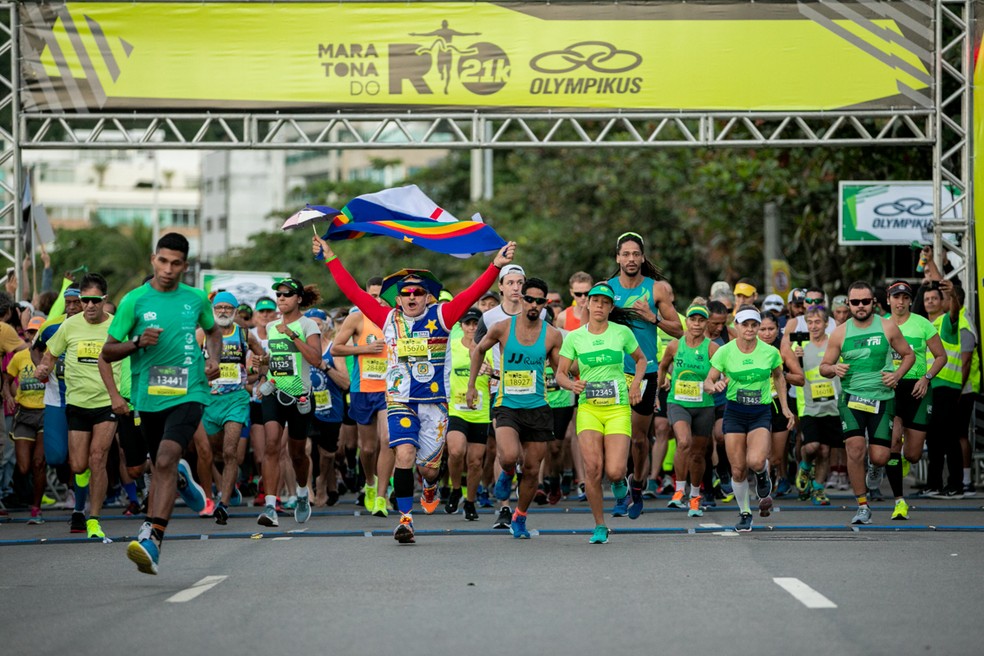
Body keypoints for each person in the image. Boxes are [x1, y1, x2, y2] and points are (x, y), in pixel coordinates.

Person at [313, 234, 516, 544]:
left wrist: (495, 266)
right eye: (405, 293)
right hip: (399, 401)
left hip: (435, 404)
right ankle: (406, 520)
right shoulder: (387, 318)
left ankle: (431, 484)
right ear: (397, 299)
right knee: (404, 454)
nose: (411, 297)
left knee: (428, 470)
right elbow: (352, 290)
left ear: (427, 297)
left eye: (418, 292)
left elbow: (473, 292)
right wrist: (330, 256)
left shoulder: (443, 316)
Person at [102, 232, 221, 575]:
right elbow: (107, 352)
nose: (168, 269)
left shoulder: (196, 299)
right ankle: (181, 478)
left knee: (166, 459)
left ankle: (153, 539)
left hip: (190, 391)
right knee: (160, 465)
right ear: (154, 259)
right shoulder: (134, 301)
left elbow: (214, 332)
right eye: (163, 261)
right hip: (149, 396)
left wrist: (213, 358)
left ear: (185, 266)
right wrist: (137, 342)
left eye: (176, 263)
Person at [469, 277, 563, 538]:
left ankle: (520, 516)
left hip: (538, 407)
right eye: (529, 299)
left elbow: (561, 370)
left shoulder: (552, 334)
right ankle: (507, 472)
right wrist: (471, 385)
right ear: (521, 299)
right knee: (509, 456)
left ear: (545, 304)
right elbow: (478, 350)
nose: (533, 305)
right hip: (507, 404)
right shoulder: (502, 328)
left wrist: (579, 377)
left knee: (532, 468)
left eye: (539, 301)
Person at [554, 282, 647, 544]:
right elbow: (560, 374)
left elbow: (641, 360)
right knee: (593, 469)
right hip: (589, 409)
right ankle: (599, 525)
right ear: (587, 303)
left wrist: (635, 385)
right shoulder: (575, 337)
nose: (599, 306)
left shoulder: (621, 332)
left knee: (615, 470)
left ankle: (620, 483)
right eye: (595, 301)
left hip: (617, 408)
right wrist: (571, 385)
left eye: (605, 303)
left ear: (610, 308)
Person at [35, 273, 122, 541]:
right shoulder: (69, 325)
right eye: (85, 300)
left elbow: (133, 356)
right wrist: (43, 368)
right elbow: (50, 355)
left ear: (105, 299)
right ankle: (80, 504)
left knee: (98, 458)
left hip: (107, 402)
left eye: (95, 300)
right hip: (77, 402)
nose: (90, 305)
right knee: (78, 464)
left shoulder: (118, 326)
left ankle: (93, 519)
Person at [819, 281, 914, 525]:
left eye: (865, 301)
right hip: (851, 398)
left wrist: (897, 375)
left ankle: (875, 467)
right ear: (848, 304)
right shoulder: (840, 332)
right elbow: (823, 367)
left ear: (873, 302)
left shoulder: (887, 326)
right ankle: (862, 506)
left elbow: (909, 355)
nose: (860, 306)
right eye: (855, 302)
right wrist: (833, 368)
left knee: (880, 456)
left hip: (882, 398)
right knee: (854, 449)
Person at [607, 232, 682, 520]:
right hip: (614, 372)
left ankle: (637, 485)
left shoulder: (656, 289)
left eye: (635, 254)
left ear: (642, 258)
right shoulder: (607, 290)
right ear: (618, 257)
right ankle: (619, 489)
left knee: (638, 439)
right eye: (625, 254)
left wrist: (653, 318)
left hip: (646, 371)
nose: (631, 259)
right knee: (615, 436)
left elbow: (679, 331)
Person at [704, 306, 795, 532]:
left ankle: (763, 475)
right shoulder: (724, 351)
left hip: (760, 411)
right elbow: (708, 381)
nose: (750, 329)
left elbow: (779, 377)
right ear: (736, 325)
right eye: (745, 324)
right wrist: (713, 386)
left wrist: (785, 408)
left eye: (754, 325)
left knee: (755, 461)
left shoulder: (770, 352)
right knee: (737, 469)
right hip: (734, 412)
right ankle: (745, 512)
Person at [256, 278, 323, 527]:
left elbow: (315, 359)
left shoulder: (308, 325)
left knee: (297, 454)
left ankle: (303, 493)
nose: (281, 298)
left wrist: (293, 335)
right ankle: (270, 507)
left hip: (300, 396)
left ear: (299, 298)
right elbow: (274, 360)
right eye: (279, 295)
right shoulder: (271, 326)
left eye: (287, 294)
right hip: (274, 392)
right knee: (272, 444)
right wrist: (262, 365)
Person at [198, 291, 268, 525]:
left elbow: (264, 357)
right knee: (211, 453)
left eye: (228, 308)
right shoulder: (202, 334)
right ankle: (214, 494)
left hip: (236, 399)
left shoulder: (244, 334)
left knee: (230, 452)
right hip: (209, 400)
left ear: (235, 311)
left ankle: (224, 504)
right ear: (212, 310)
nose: (223, 311)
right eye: (219, 308)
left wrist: (260, 376)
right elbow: (188, 361)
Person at [882, 280, 945, 518]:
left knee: (913, 454)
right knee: (893, 444)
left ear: (910, 300)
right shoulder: (881, 325)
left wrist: (926, 378)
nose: (900, 302)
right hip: (891, 388)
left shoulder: (922, 324)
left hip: (918, 389)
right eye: (896, 297)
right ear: (888, 300)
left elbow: (941, 356)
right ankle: (899, 502)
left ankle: (904, 459)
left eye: (905, 297)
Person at [331, 277, 392, 516]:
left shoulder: (394, 318)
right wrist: (364, 349)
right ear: (366, 295)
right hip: (362, 388)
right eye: (373, 296)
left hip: (389, 389)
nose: (378, 301)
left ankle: (382, 496)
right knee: (367, 448)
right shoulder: (357, 317)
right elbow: (336, 348)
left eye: (382, 296)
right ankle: (370, 483)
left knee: (388, 439)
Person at [657, 304, 718, 518]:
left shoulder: (712, 348)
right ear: (687, 322)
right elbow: (662, 366)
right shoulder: (675, 345)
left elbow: (725, 371)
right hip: (678, 402)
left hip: (704, 405)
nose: (697, 324)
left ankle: (694, 495)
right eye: (693, 320)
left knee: (698, 454)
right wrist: (662, 382)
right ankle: (679, 490)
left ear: (706, 323)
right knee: (683, 442)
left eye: (701, 320)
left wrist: (718, 382)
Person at [790, 305, 841, 506]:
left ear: (826, 323)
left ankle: (818, 489)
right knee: (812, 446)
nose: (813, 326)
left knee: (825, 451)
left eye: (818, 322)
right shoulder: (799, 347)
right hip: (809, 406)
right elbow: (791, 373)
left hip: (832, 406)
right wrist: (795, 357)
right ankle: (804, 466)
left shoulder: (834, 344)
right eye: (810, 322)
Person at [446, 307, 490, 520]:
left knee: (475, 461)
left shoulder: (489, 347)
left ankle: (470, 501)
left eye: (476, 324)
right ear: (461, 326)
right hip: (456, 409)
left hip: (480, 412)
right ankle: (456, 489)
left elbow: (501, 374)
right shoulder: (452, 346)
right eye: (468, 323)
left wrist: (492, 372)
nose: (472, 327)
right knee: (456, 451)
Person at [4, 318, 47, 523]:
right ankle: (33, 492)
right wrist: (8, 396)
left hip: (46, 414)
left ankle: (36, 508)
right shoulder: (19, 357)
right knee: (23, 467)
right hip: (24, 414)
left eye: (38, 331)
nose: (33, 335)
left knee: (39, 463)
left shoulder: (52, 355)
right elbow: (6, 379)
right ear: (27, 334)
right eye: (30, 332)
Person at [306, 308, 349, 508]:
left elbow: (345, 383)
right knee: (305, 448)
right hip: (305, 406)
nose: (315, 328)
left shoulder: (333, 350)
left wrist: (325, 367)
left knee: (328, 453)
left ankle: (322, 482)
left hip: (330, 407)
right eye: (311, 324)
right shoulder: (300, 348)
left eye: (318, 324)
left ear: (326, 325)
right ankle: (307, 488)